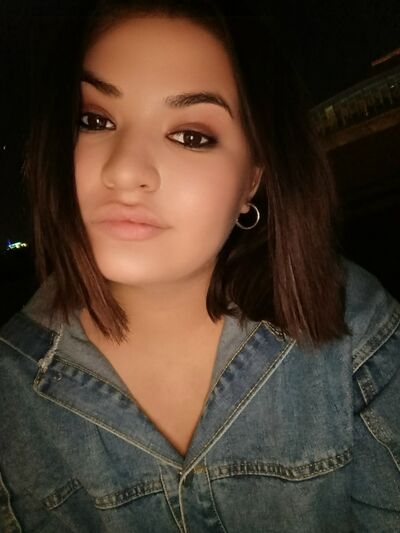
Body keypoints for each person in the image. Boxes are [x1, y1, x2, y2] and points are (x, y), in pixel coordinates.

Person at [1, 1, 399, 531]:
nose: (125, 171)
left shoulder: (353, 332)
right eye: (95, 120)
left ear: (252, 180)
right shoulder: (12, 391)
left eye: (191, 136)